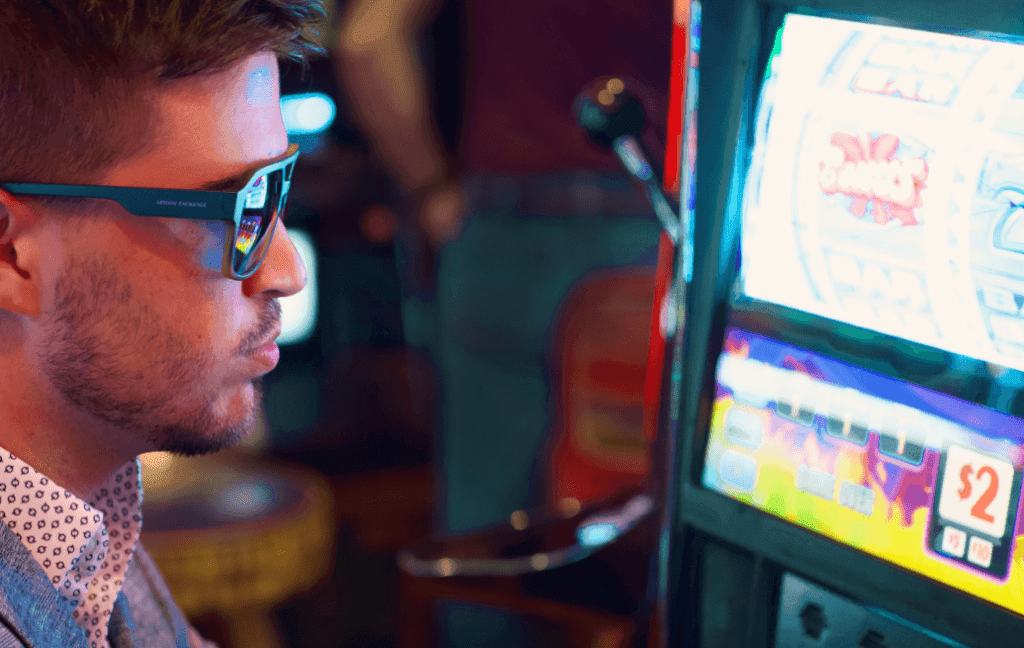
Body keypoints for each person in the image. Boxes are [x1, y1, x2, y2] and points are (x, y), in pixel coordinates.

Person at [0, 1, 324, 646]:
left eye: (276, 191)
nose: (286, 271)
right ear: (11, 253)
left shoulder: (85, 527)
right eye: (234, 209)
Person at [337, 0, 671, 533]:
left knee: (483, 532)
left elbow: (366, 39)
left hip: (506, 231)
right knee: (646, 524)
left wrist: (429, 188)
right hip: (651, 239)